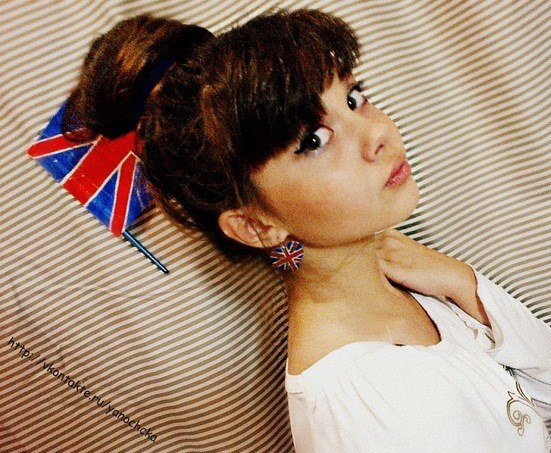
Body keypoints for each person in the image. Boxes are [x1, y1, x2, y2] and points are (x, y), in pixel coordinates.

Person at [62, 9, 551, 452]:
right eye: (314, 140)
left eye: (354, 98)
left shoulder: (418, 285)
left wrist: (464, 284)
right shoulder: (372, 407)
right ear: (256, 224)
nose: (377, 133)